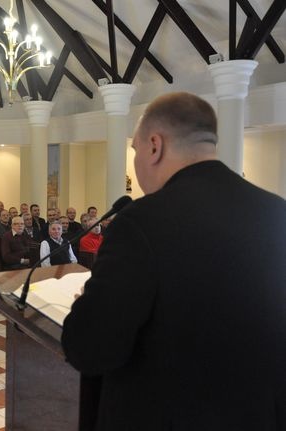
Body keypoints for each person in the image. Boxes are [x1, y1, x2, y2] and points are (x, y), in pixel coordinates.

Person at [62, 92, 286, 430]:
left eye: (134, 150)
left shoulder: (141, 222)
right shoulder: (277, 211)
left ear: (155, 146)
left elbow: (90, 349)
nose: (136, 163)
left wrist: (88, 307)